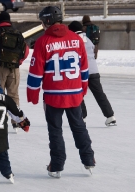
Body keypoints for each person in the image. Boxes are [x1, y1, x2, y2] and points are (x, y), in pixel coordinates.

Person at [27, 6, 95, 178]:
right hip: (74, 93)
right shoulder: (76, 38)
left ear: (47, 21)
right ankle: (88, 160)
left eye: (42, 21)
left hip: (53, 95)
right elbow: (84, 68)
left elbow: (36, 72)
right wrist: (83, 89)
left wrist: (33, 94)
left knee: (55, 130)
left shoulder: (43, 42)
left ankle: (56, 166)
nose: (42, 25)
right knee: (79, 127)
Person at [0, 11, 29, 132]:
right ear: (9, 21)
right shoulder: (17, 33)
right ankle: (16, 122)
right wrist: (17, 61)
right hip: (14, 68)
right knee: (13, 95)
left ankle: (0, 120)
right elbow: (26, 51)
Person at [68, 21, 116, 126]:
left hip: (82, 71)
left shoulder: (74, 40)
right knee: (99, 94)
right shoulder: (88, 39)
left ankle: (82, 116)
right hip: (94, 71)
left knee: (79, 93)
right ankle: (110, 116)